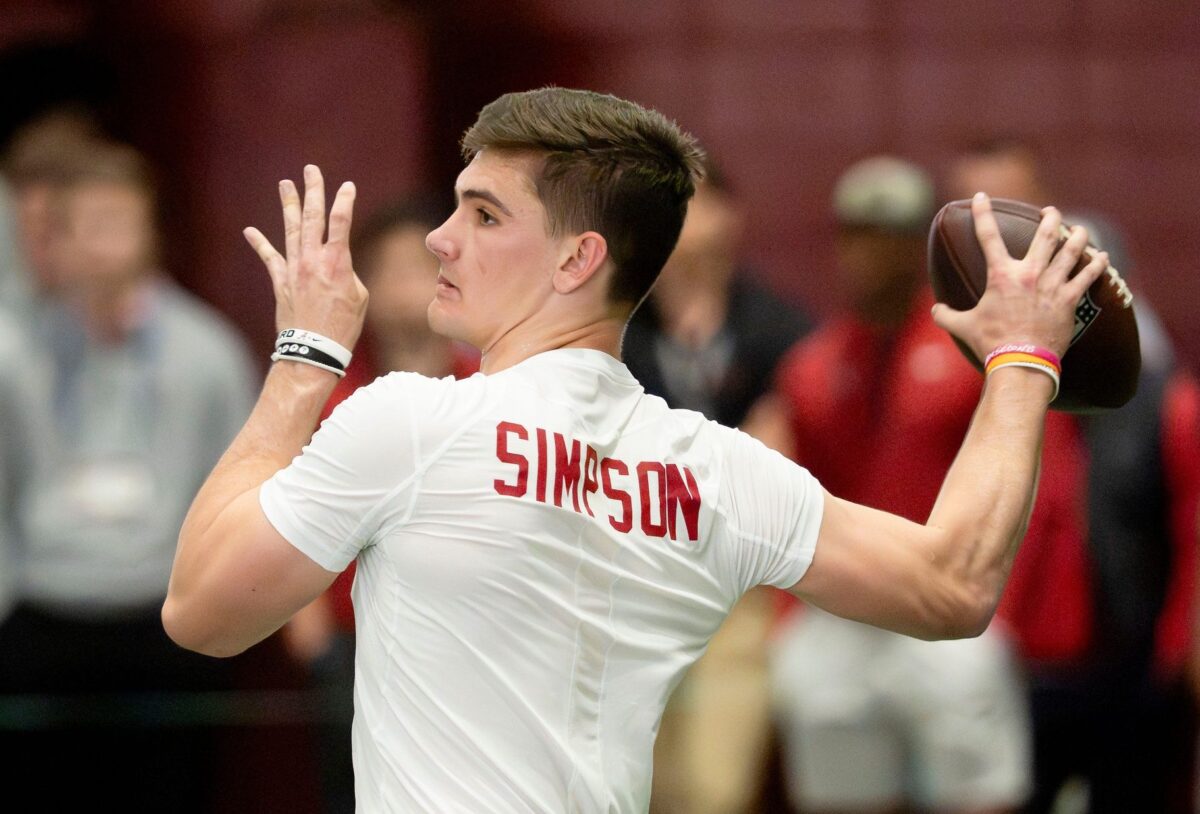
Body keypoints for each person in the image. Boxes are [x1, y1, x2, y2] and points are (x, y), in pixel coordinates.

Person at [162, 87, 1109, 812]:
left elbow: (203, 612)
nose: (441, 241)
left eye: (483, 215)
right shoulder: (717, 472)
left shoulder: (409, 423)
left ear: (578, 259)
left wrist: (307, 355)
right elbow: (954, 585)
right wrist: (1024, 359)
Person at [749, 156, 1033, 814]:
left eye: (892, 235)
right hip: (843, 613)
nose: (873, 254)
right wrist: (791, 620)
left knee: (977, 795)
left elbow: (1027, 477)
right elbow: (793, 497)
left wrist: (1006, 611)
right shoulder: (812, 368)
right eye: (859, 234)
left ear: (918, 246)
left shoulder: (971, 354)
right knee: (846, 794)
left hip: (949, 606)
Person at [0, 140, 257, 810]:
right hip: (41, 617)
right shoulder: (13, 353)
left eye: (119, 221)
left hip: (162, 620)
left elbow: (241, 494)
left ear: (151, 232)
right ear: (53, 240)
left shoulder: (207, 352)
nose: (103, 245)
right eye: (86, 225)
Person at [948, 139, 1200, 814]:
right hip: (1025, 662)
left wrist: (1173, 654)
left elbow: (1189, 534)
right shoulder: (1015, 396)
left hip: (1125, 660)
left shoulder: (1166, 405)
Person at [617, 163, 809, 814]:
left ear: (731, 217)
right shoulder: (615, 329)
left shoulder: (778, 330)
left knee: (713, 785)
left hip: (737, 588)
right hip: (631, 580)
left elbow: (779, 463)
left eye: (695, 204)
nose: (682, 224)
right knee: (630, 782)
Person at [281, 197, 480, 814]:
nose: (407, 287)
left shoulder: (491, 388)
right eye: (390, 270)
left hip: (466, 637)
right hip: (355, 637)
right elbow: (285, 508)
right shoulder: (327, 395)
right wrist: (311, 631)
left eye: (422, 267)